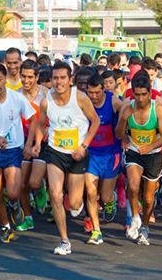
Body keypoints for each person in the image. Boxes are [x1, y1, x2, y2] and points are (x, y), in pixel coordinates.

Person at [34, 61, 100, 255]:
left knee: (75, 203)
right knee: (54, 193)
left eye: (63, 78)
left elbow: (95, 121)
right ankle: (64, 240)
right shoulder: (46, 101)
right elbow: (40, 124)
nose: (58, 82)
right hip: (55, 151)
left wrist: (84, 146)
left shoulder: (80, 98)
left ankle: (75, 204)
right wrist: (38, 143)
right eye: (55, 78)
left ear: (70, 80)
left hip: (77, 153)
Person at [0, 63, 37, 243]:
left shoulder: (17, 98)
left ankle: (14, 204)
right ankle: (5, 226)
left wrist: (28, 144)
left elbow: (33, 120)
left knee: (12, 192)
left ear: (6, 80)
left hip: (13, 150)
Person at [116, 74, 162, 245]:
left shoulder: (157, 108)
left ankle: (145, 226)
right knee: (132, 185)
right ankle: (135, 218)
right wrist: (124, 119)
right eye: (136, 95)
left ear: (149, 93)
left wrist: (151, 146)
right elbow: (118, 134)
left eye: (144, 94)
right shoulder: (127, 108)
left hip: (153, 155)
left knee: (147, 197)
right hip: (134, 151)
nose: (140, 99)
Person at [83, 74, 123, 244]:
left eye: (96, 92)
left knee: (105, 196)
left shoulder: (112, 101)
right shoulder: (84, 102)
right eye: (90, 92)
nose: (93, 96)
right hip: (91, 154)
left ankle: (111, 200)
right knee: (91, 192)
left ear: (103, 90)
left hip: (111, 154)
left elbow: (127, 111)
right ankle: (96, 231)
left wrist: (125, 136)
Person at [17, 60, 49, 232]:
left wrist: (49, 129)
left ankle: (39, 188)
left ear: (37, 77)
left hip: (42, 142)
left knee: (34, 183)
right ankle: (28, 217)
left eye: (30, 77)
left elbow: (55, 116)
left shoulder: (46, 94)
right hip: (22, 142)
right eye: (23, 76)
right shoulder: (15, 95)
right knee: (21, 184)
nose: (26, 80)